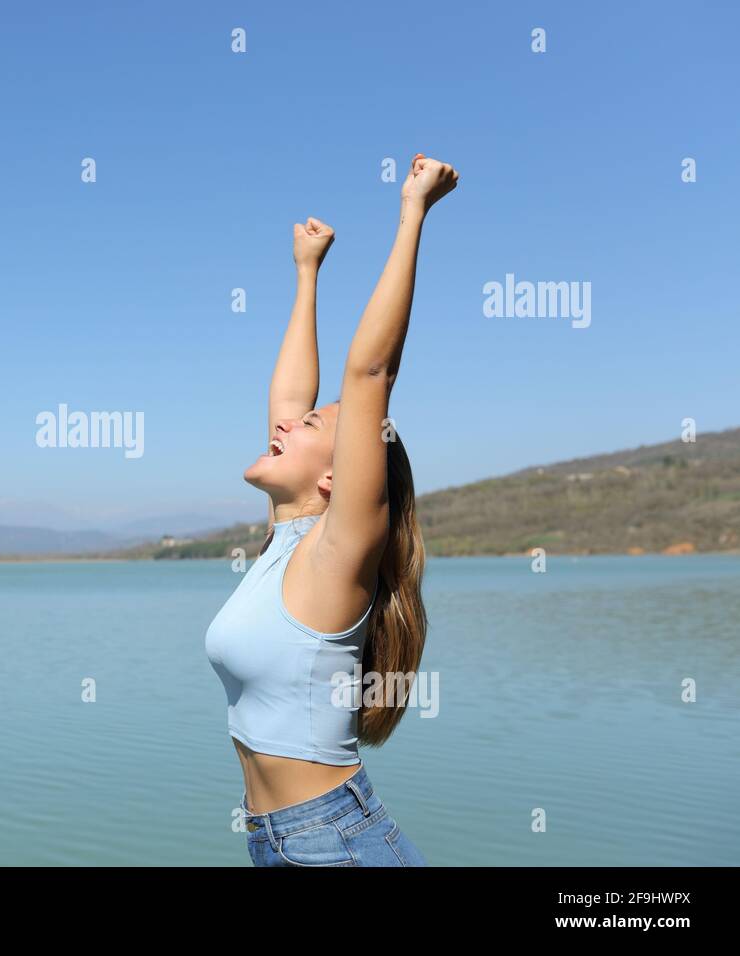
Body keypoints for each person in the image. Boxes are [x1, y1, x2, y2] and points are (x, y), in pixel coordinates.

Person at [205, 154, 458, 866]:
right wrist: (307, 274)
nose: (284, 426)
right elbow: (290, 399)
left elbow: (369, 371)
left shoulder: (338, 555)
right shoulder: (288, 542)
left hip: (334, 847)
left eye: (312, 429)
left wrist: (412, 214)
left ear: (337, 480)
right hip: (282, 842)